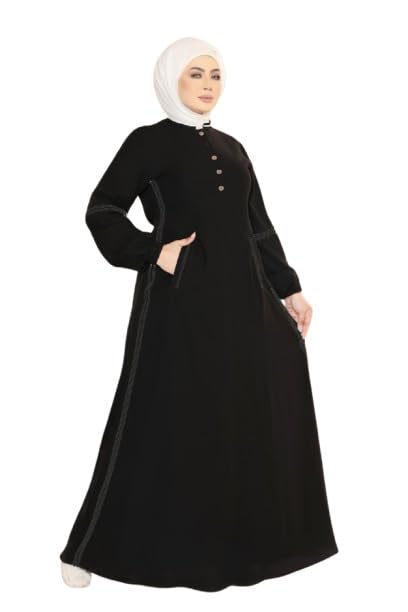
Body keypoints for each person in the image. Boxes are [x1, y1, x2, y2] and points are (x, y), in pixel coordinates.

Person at [60, 36, 338, 591]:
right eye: (196, 74)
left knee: (241, 415)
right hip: (178, 301)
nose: (209, 85)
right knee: (156, 416)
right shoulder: (148, 142)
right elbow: (102, 208)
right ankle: (89, 548)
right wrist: (151, 251)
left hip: (246, 305)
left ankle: (235, 551)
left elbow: (258, 226)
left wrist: (290, 289)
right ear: (171, 79)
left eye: (215, 75)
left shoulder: (234, 148)